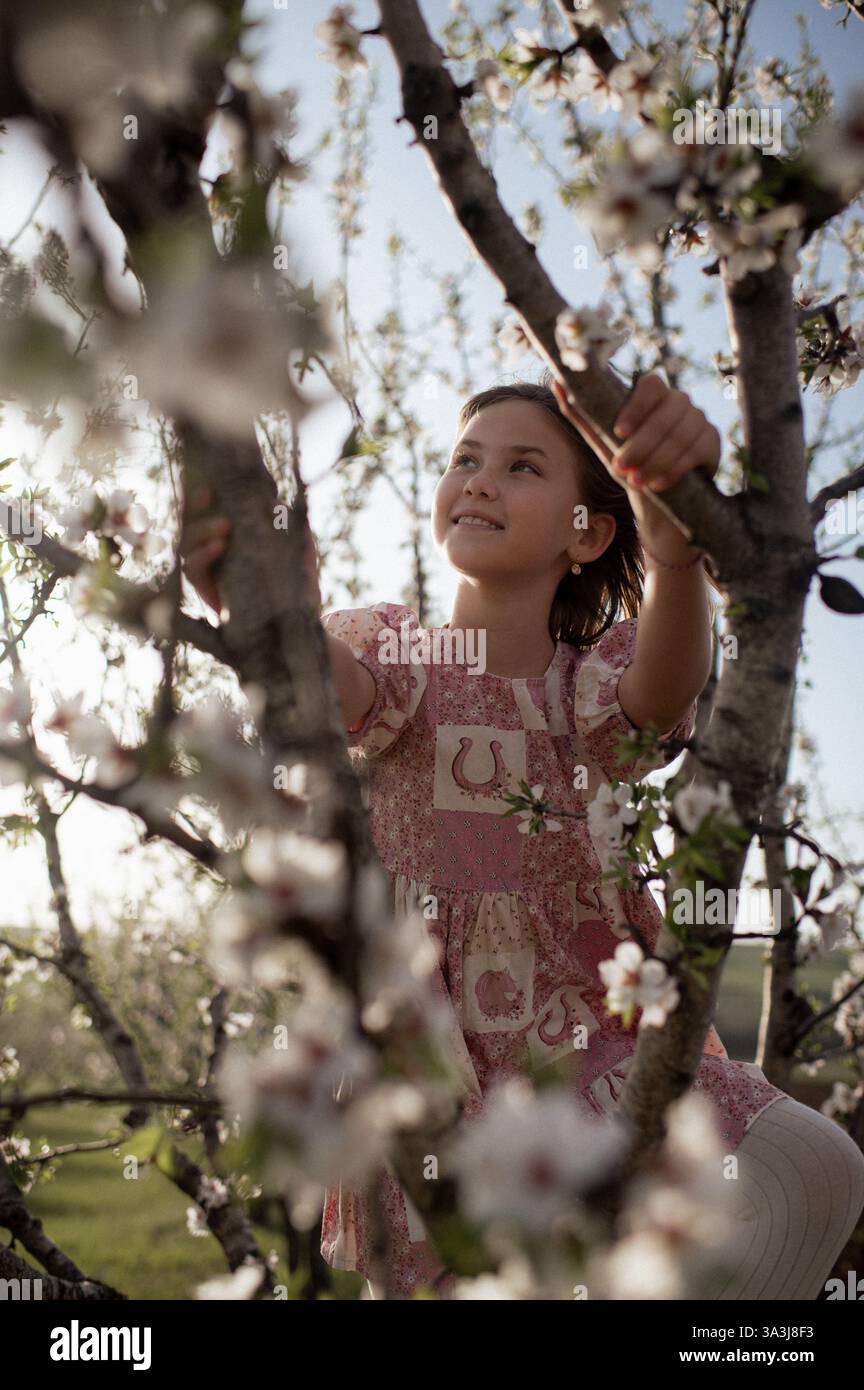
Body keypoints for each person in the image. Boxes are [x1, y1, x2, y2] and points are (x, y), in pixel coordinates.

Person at [182, 367, 864, 1300]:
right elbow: (323, 682)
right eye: (465, 459)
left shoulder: (584, 687)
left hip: (595, 1034)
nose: (480, 479)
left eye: (522, 466)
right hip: (426, 1055)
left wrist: (673, 560)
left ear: (587, 532)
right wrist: (264, 607)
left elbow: (658, 694)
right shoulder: (401, 664)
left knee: (814, 1165)